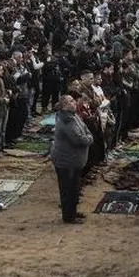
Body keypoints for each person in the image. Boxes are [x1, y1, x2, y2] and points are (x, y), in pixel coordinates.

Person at [50, 94, 93, 224]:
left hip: (73, 161)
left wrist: (88, 136)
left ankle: (72, 212)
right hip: (66, 161)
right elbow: (78, 139)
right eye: (70, 101)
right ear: (64, 106)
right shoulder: (66, 120)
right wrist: (89, 139)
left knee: (74, 188)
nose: (74, 103)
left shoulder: (73, 116)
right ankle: (69, 217)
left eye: (73, 100)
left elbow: (85, 129)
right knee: (68, 189)